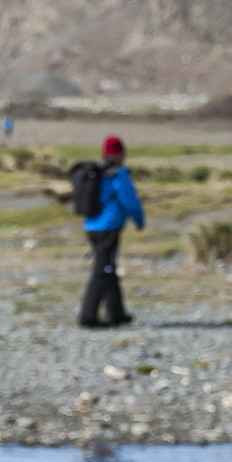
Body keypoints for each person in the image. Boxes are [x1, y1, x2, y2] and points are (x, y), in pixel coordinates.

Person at [77, 135, 144, 328]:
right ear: (119, 154)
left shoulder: (96, 172)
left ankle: (117, 313)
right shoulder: (118, 175)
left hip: (91, 226)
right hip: (109, 227)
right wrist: (139, 220)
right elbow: (129, 201)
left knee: (108, 268)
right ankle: (88, 316)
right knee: (102, 270)